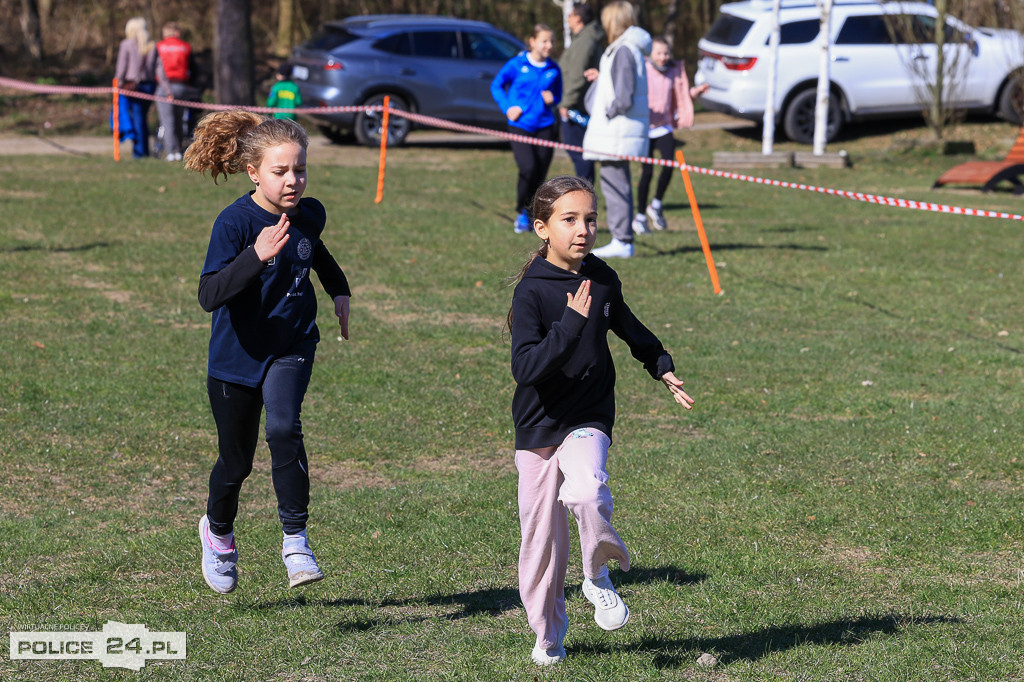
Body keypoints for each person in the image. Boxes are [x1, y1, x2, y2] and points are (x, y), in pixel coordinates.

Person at [507, 175, 695, 665]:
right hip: (537, 427)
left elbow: (631, 329)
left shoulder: (604, 278)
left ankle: (597, 575)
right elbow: (525, 368)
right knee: (540, 543)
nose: (583, 229)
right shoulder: (532, 293)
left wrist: (661, 364)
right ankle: (548, 639)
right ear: (542, 228)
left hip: (588, 415)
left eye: (590, 219)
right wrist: (569, 324)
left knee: (588, 489)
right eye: (569, 220)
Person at [183, 110, 352, 594]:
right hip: (235, 360)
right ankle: (217, 533)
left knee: (282, 427)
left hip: (292, 346)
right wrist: (255, 256)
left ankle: (295, 540)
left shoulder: (310, 213)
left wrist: (338, 289)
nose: (293, 180)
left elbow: (314, 249)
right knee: (235, 463)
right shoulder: (234, 223)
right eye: (281, 172)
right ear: (254, 172)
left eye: (300, 169)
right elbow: (209, 295)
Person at [583, 1, 652, 259]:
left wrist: (607, 112)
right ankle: (621, 238)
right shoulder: (623, 48)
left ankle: (622, 239)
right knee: (615, 183)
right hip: (616, 131)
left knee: (616, 184)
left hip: (617, 130)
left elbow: (623, 96)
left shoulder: (624, 49)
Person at [632, 36, 709, 234]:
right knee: (647, 172)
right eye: (659, 53)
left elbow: (682, 95)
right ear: (650, 55)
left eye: (666, 53)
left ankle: (656, 204)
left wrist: (696, 92)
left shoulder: (674, 71)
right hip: (645, 128)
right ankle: (640, 216)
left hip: (664, 127)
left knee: (669, 164)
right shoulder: (643, 70)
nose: (663, 57)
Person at [491, 24, 563, 234]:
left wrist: (554, 99)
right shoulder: (517, 64)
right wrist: (507, 107)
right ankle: (522, 212)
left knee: (540, 174)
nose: (549, 45)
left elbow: (558, 95)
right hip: (521, 125)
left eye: (551, 41)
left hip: (546, 126)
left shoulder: (554, 68)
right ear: (532, 42)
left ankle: (535, 215)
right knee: (528, 168)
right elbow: (496, 85)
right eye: (544, 41)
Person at [557, 2, 604, 184]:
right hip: (576, 105)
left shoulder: (584, 41)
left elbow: (577, 75)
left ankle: (585, 193)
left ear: (577, 18)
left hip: (576, 108)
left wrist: (566, 103)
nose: (568, 19)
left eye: (570, 15)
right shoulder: (583, 38)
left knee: (580, 154)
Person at [115, 17, 158, 159]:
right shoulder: (152, 45)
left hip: (133, 87)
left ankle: (140, 153)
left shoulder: (126, 44)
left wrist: (117, 82)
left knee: (138, 118)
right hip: (149, 85)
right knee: (142, 118)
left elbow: (121, 68)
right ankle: (143, 150)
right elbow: (156, 69)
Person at [155, 21, 193, 162]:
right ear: (177, 32)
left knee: (167, 121)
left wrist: (166, 89)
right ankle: (179, 150)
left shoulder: (159, 47)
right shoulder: (185, 47)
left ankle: (171, 151)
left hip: (165, 87)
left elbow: (158, 70)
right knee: (179, 120)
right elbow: (193, 68)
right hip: (182, 87)